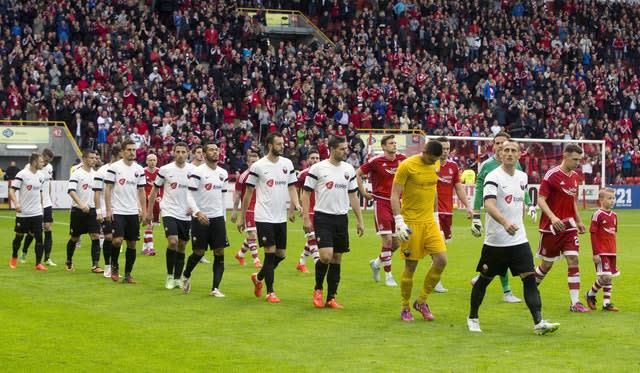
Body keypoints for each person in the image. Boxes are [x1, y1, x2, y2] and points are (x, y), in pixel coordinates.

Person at [467, 140, 560, 335]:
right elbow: (489, 204)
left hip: (519, 240)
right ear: (500, 154)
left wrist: (530, 206)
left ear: (519, 154)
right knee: (484, 280)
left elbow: (521, 197)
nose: (509, 153)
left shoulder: (522, 176)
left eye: (513, 150)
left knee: (529, 279)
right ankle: (473, 317)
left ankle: (538, 322)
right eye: (505, 150)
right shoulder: (493, 176)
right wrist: (505, 222)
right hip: (496, 242)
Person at [471, 132, 535, 303]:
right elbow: (479, 189)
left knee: (507, 254)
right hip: (496, 217)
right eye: (497, 143)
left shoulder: (516, 166)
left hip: (514, 218)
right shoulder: (488, 166)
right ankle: (499, 287)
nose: (499, 146)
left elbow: (522, 188)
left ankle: (495, 284)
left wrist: (529, 205)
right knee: (499, 253)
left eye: (503, 143)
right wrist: (476, 215)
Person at [237, 132, 301, 303]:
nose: (283, 146)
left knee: (281, 254)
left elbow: (292, 187)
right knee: (270, 253)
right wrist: (242, 217)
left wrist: (296, 206)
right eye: (279, 144)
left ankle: (258, 277)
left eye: (283, 143)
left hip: (280, 216)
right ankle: (270, 292)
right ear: (271, 145)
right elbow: (248, 193)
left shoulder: (287, 164)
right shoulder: (258, 166)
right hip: (264, 216)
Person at [303, 136, 365, 309]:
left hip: (341, 218)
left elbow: (353, 196)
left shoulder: (349, 169)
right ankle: (318, 289)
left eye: (346, 148)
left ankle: (331, 297)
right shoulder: (318, 168)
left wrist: (360, 220)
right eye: (342, 149)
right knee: (326, 256)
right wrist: (306, 218)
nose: (346, 151)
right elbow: (306, 193)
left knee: (337, 258)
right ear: (331, 149)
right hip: (323, 217)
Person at [391, 140, 446, 321]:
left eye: (436, 160)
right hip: (411, 223)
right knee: (411, 266)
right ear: (425, 152)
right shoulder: (407, 166)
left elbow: (433, 190)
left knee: (441, 260)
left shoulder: (434, 164)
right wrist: (399, 221)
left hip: (429, 222)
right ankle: (405, 306)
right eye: (432, 159)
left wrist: (436, 217)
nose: (434, 162)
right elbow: (394, 194)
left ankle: (421, 301)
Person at [534, 144, 590, 313]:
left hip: (569, 227)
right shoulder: (552, 175)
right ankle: (530, 286)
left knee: (573, 260)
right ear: (565, 156)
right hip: (552, 228)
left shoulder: (575, 176)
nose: (577, 163)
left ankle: (575, 303)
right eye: (575, 159)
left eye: (579, 160)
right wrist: (553, 217)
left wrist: (579, 221)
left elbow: (572, 200)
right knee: (546, 265)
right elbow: (541, 199)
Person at [356, 134, 406, 287]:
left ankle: (377, 263)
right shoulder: (376, 161)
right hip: (382, 203)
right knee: (387, 240)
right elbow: (358, 173)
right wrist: (364, 192)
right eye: (390, 143)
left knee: (396, 244)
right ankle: (388, 276)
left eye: (394, 143)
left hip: (397, 205)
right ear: (383, 147)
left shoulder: (403, 159)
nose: (394, 145)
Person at [146, 142, 195, 290]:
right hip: (169, 211)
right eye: (178, 151)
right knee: (173, 241)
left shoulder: (194, 170)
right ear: (174, 153)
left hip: (186, 214)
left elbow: (199, 191)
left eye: (183, 152)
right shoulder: (166, 170)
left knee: (181, 245)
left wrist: (194, 208)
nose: (180, 154)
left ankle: (177, 278)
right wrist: (149, 212)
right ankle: (169, 276)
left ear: (188, 154)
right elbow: (154, 190)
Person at [181, 143, 228, 296]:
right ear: (205, 154)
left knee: (219, 252)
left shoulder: (223, 173)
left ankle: (215, 288)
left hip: (217, 218)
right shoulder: (198, 172)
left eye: (217, 149)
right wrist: (197, 212)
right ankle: (186, 275)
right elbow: (189, 195)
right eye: (211, 150)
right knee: (199, 252)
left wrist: (224, 218)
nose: (215, 152)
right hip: (200, 218)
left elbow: (222, 196)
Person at [104, 139, 147, 284]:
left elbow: (141, 191)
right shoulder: (115, 168)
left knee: (132, 244)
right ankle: (115, 267)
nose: (131, 152)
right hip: (118, 210)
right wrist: (109, 209)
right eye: (128, 149)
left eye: (134, 150)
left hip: (133, 211)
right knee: (117, 240)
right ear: (122, 152)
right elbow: (108, 188)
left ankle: (128, 274)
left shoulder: (139, 169)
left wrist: (144, 211)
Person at [435, 136, 474, 292]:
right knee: (439, 249)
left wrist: (468, 206)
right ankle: (435, 280)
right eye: (442, 148)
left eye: (447, 148)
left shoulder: (453, 166)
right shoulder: (430, 165)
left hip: (447, 213)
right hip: (432, 213)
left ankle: (433, 279)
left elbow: (458, 188)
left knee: (442, 247)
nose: (445, 151)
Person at [65, 149, 103, 272]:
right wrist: (81, 204)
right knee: (75, 238)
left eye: (95, 158)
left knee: (95, 236)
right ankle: (69, 261)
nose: (94, 160)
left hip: (92, 211)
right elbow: (71, 190)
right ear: (84, 159)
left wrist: (98, 210)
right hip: (78, 211)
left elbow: (98, 193)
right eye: (91, 158)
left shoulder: (96, 174)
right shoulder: (77, 173)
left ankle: (95, 265)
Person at [8, 153, 46, 270]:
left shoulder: (41, 175)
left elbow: (40, 193)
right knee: (19, 236)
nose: (43, 164)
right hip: (23, 213)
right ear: (34, 162)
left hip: (37, 213)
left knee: (39, 238)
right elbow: (12, 191)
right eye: (41, 161)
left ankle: (38, 263)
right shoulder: (22, 174)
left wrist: (42, 208)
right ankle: (14, 257)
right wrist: (16, 203)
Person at [20, 148, 57, 266]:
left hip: (47, 203)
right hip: (35, 204)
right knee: (32, 232)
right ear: (42, 156)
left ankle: (47, 258)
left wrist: (50, 200)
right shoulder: (28, 167)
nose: (46, 163)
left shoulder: (49, 168)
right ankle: (24, 252)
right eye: (45, 161)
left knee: (48, 228)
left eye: (48, 161)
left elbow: (48, 184)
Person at [585, 188, 619, 312]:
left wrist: (614, 251)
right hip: (601, 251)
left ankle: (606, 303)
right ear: (601, 200)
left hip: (611, 251)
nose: (612, 201)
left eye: (613, 198)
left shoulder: (614, 216)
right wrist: (595, 253)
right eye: (609, 198)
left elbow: (613, 233)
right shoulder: (597, 214)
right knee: (605, 276)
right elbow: (593, 233)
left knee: (609, 277)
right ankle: (590, 293)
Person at [94, 145, 122, 279]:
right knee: (109, 237)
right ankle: (107, 266)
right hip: (106, 210)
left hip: (120, 211)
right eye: (121, 157)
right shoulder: (102, 171)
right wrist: (99, 211)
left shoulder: (124, 170)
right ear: (114, 157)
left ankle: (115, 267)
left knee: (117, 240)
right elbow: (97, 192)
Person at [231, 151, 262, 269]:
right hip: (248, 209)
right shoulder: (243, 176)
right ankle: (256, 260)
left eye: (257, 162)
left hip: (260, 209)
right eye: (252, 162)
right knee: (252, 234)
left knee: (254, 235)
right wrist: (235, 211)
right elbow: (238, 195)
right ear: (248, 163)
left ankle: (240, 254)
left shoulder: (262, 175)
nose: (255, 164)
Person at [295, 148, 321, 273]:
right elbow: (298, 191)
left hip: (320, 210)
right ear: (307, 160)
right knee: (312, 237)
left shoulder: (324, 172)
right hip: (308, 209)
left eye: (317, 158)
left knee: (313, 238)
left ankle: (301, 262)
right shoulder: (303, 174)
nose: (315, 160)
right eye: (312, 158)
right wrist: (299, 207)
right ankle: (318, 263)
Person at [190, 145, 210, 264]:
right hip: (189, 205)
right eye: (198, 152)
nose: (200, 155)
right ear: (193, 154)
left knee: (200, 231)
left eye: (202, 152)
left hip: (202, 206)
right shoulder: (190, 168)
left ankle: (200, 255)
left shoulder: (205, 169)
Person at [142, 153, 161, 256]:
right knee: (149, 224)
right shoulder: (143, 172)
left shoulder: (159, 172)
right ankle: (150, 248)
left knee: (152, 224)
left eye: (154, 160)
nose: (152, 162)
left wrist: (160, 196)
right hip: (146, 201)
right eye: (150, 160)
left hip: (156, 202)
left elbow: (162, 187)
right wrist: (147, 196)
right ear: (146, 161)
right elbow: (140, 188)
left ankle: (144, 248)